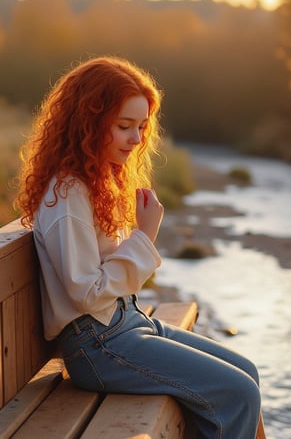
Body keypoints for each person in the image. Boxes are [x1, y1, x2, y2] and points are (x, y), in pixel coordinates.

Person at [16, 56, 261, 438]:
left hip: (125, 323)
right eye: (124, 126)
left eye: (142, 127)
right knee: (239, 393)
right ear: (88, 123)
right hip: (98, 344)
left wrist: (137, 238)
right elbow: (85, 293)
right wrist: (144, 236)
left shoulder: (92, 181)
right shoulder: (68, 196)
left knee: (247, 374)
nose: (136, 139)